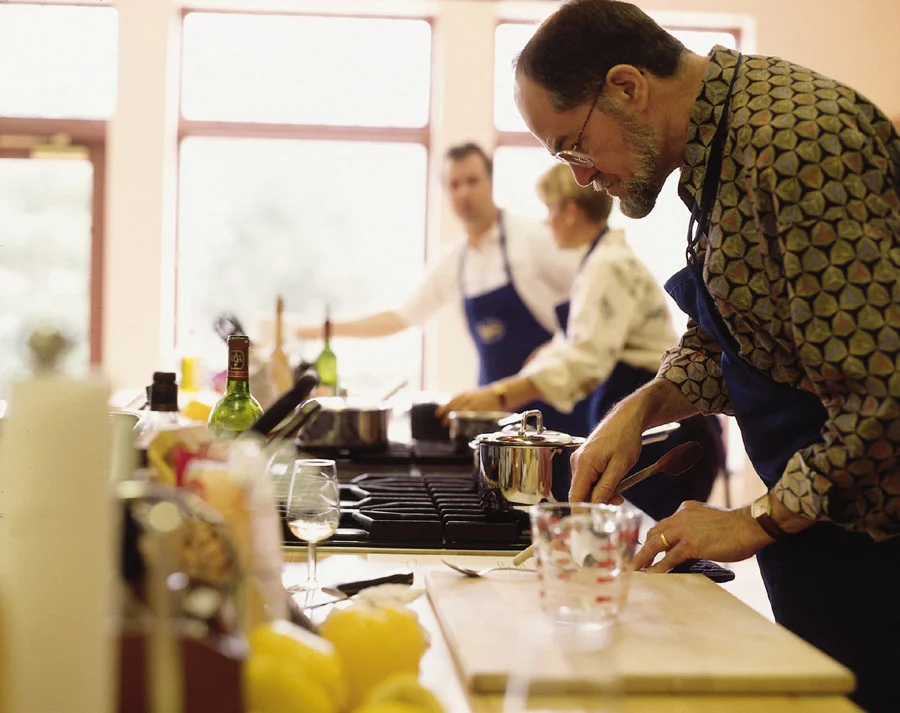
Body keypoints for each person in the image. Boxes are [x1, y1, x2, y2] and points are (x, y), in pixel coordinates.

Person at [513, 2, 900, 711]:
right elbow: (735, 334)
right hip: (820, 528)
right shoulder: (719, 150)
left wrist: (754, 519)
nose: (580, 176)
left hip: (877, 543)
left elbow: (885, 393)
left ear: (627, 87)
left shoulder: (796, 144)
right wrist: (643, 406)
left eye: (572, 145)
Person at [439, 163, 724, 517]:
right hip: (642, 420)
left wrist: (498, 395)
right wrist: (532, 368)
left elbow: (585, 363)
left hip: (664, 427)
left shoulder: (609, 265)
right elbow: (568, 344)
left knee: (651, 549)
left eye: (550, 211)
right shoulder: (596, 263)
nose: (547, 222)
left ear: (571, 212)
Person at [296, 142, 588, 432]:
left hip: (557, 410)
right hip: (495, 419)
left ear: (490, 182)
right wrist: (311, 331)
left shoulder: (534, 237)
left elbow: (592, 292)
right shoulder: (454, 262)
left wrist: (555, 347)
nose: (464, 192)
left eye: (472, 181)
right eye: (454, 184)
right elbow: (400, 318)